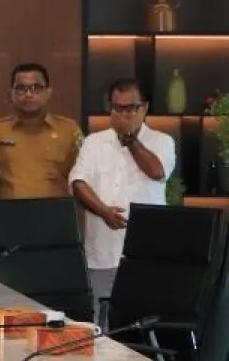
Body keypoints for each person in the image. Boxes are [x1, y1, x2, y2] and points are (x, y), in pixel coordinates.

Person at [69, 78, 174, 313]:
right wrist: (103, 211)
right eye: (117, 108)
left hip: (146, 255)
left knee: (142, 321)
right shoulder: (94, 142)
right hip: (102, 252)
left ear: (144, 107)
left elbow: (157, 172)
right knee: (102, 322)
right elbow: (77, 183)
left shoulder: (162, 141)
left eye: (131, 108)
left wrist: (129, 138)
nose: (123, 114)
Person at [0, 62, 84, 199]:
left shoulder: (69, 130)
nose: (28, 94)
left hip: (55, 209)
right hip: (7, 210)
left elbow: (83, 177)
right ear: (11, 94)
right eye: (21, 88)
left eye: (36, 88)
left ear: (48, 93)